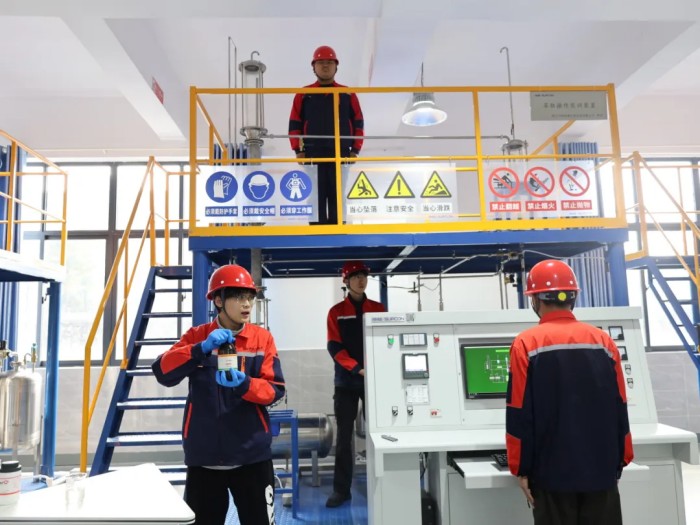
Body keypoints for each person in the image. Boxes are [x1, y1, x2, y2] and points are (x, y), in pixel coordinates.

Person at [152, 264, 285, 525]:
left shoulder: (262, 339)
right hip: (205, 459)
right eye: (238, 297)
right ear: (218, 300)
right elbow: (162, 371)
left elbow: (275, 389)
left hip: (251, 458)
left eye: (250, 297)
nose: (247, 304)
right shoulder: (197, 336)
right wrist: (199, 349)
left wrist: (246, 384)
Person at [505, 259, 633, 525]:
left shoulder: (525, 343)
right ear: (573, 297)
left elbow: (519, 411)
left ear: (535, 300)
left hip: (551, 475)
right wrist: (621, 459)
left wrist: (521, 469)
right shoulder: (603, 341)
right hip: (601, 471)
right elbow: (620, 404)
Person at [325, 260, 386, 507]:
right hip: (346, 383)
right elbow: (334, 347)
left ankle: (383, 484)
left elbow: (385, 341)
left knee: (380, 433)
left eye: (363, 276)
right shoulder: (337, 312)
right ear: (346, 281)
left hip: (374, 381)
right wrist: (357, 368)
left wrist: (377, 369)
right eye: (355, 276)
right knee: (344, 438)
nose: (361, 280)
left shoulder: (378, 309)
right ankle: (341, 490)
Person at [288, 45, 364, 225]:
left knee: (338, 192)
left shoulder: (347, 93)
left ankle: (339, 229)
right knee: (315, 193)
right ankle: (316, 229)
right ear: (313, 67)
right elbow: (294, 123)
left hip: (341, 153)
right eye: (320, 62)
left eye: (329, 62)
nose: (325, 65)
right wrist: (298, 150)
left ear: (336, 66)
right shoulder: (304, 94)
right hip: (312, 154)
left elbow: (358, 122)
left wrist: (355, 150)